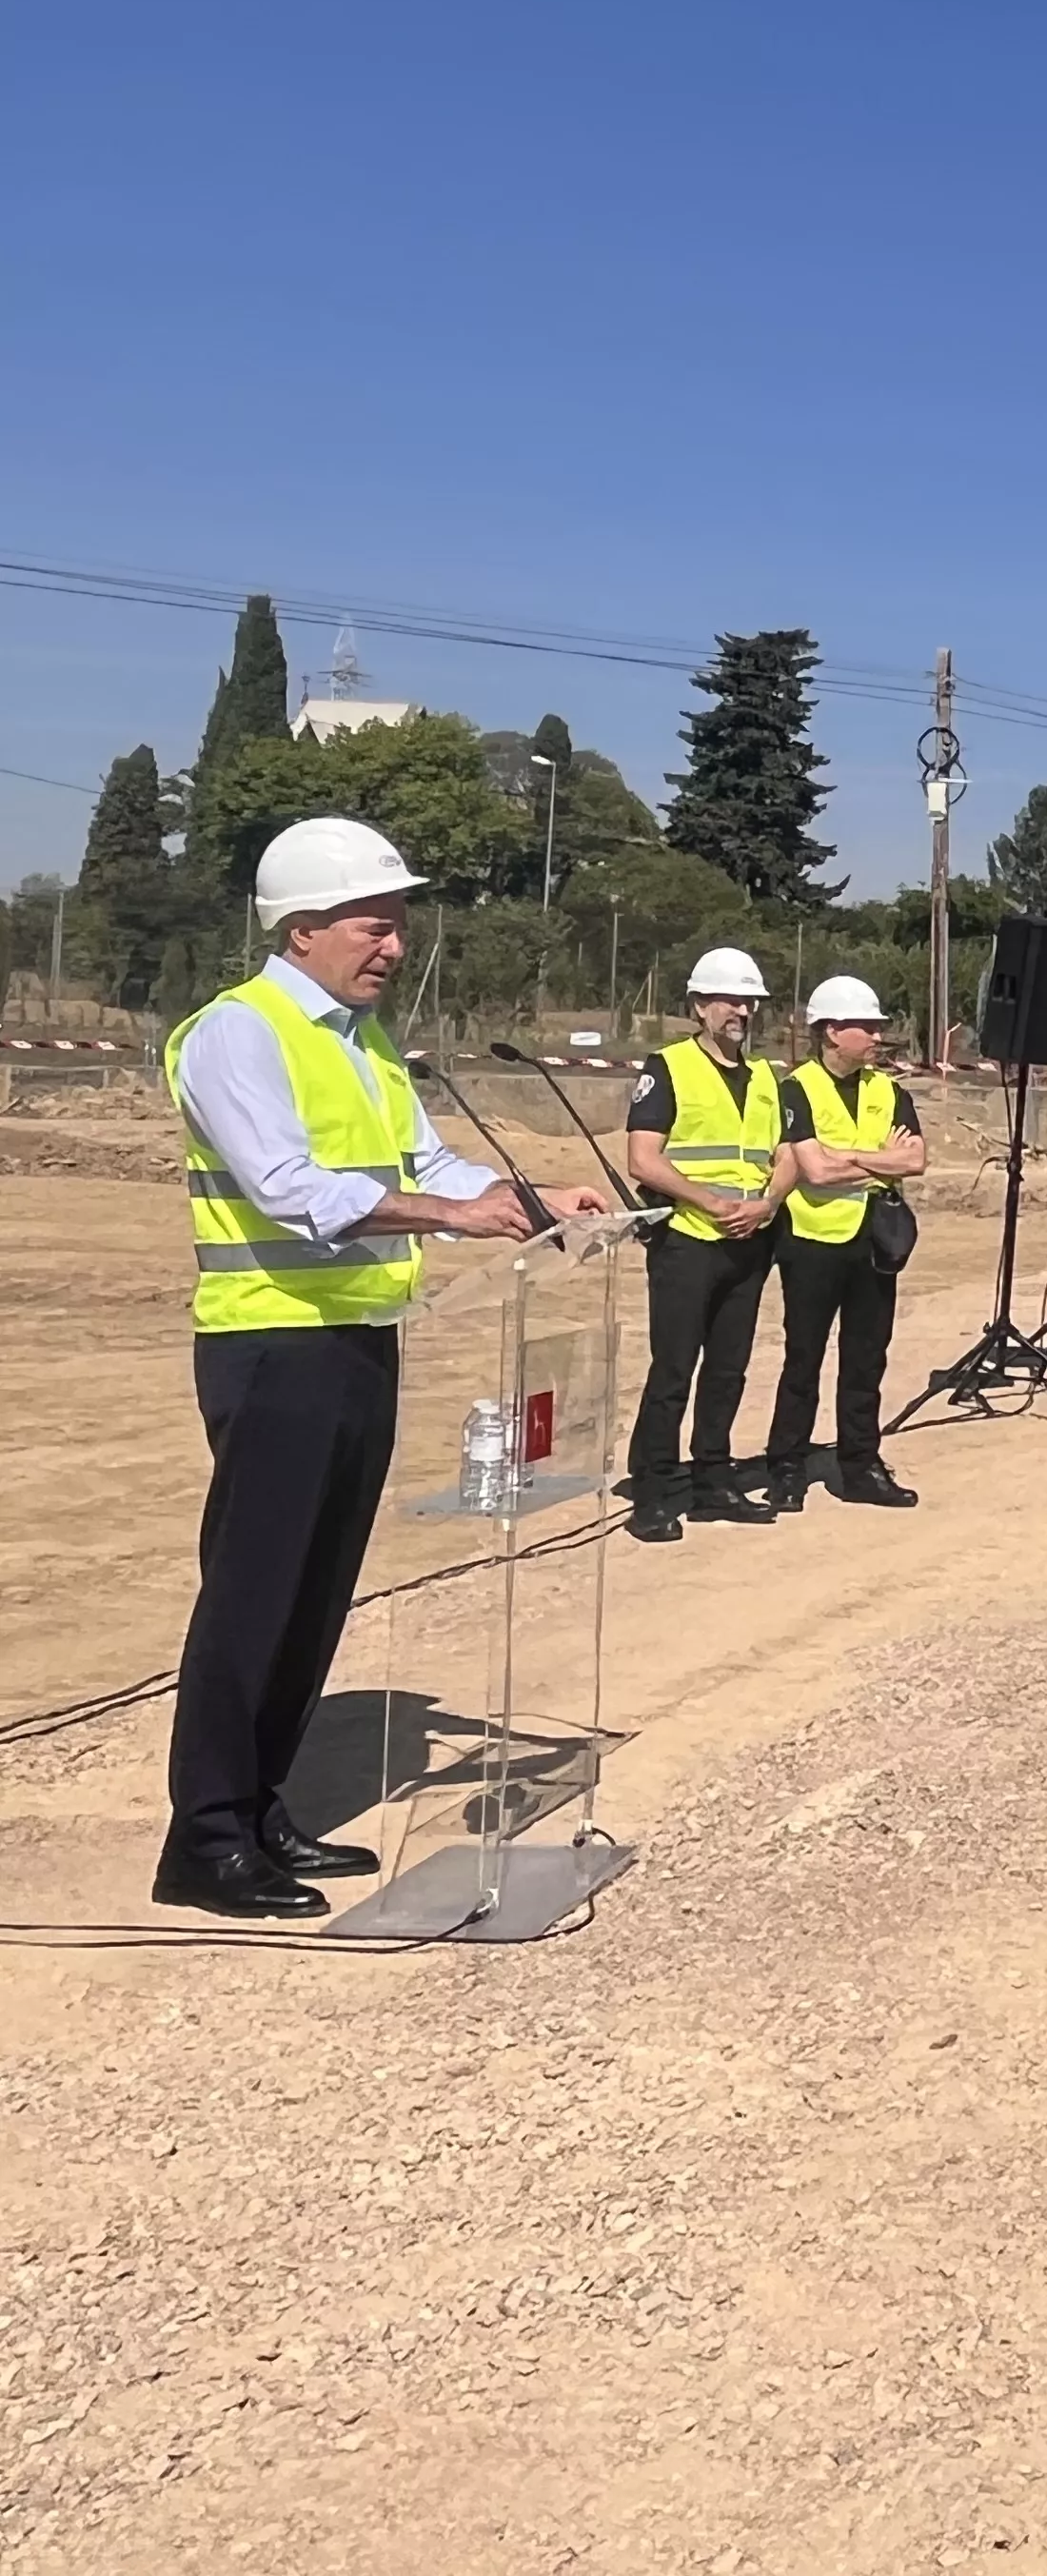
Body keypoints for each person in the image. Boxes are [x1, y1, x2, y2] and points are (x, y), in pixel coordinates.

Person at [156, 819, 605, 1914]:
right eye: (377, 922)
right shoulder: (238, 1033)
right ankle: (205, 1838)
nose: (395, 945)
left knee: (315, 1596)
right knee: (255, 1595)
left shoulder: (362, 1040)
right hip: (272, 1345)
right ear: (302, 926)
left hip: (358, 1339)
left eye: (398, 924)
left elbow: (427, 1163)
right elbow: (287, 1186)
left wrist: (529, 1200)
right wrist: (450, 1209)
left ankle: (263, 1806)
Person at [623, 947, 792, 1542]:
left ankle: (714, 1480)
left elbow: (786, 1155)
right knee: (673, 1370)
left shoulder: (769, 1078)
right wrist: (709, 1201)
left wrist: (768, 1203)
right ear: (699, 1006)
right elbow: (644, 1158)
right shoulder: (668, 1067)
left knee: (728, 1370)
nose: (740, 1010)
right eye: (728, 1000)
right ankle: (653, 1491)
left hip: (749, 1242)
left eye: (748, 1001)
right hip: (687, 1242)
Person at [761, 975, 926, 1511]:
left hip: (874, 1242)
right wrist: (875, 1159)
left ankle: (859, 1465)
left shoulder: (890, 1090)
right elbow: (811, 1170)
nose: (878, 1036)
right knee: (802, 1357)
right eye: (868, 1026)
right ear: (832, 1031)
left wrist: (847, 1157)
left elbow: (915, 1160)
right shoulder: (796, 1088)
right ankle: (786, 1465)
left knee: (866, 1359)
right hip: (811, 1242)